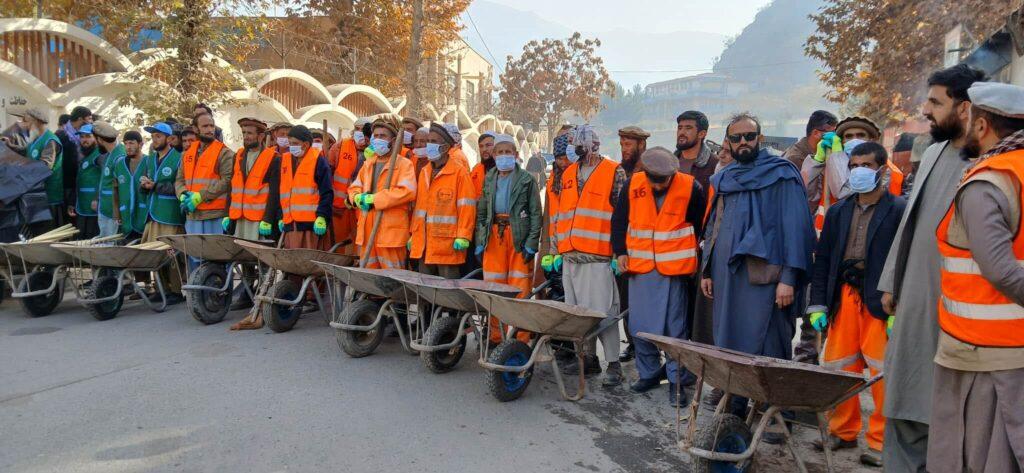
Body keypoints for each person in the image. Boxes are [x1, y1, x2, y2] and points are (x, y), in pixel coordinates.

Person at [877, 64, 986, 472]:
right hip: (916, 300)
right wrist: (891, 282)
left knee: (948, 416)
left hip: (961, 312)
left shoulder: (992, 162)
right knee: (904, 403)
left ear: (964, 109)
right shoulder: (936, 150)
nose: (925, 109)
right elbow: (912, 222)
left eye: (935, 102)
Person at [925, 81, 1024, 473]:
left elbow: (1001, 271)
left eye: (967, 120)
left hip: (985, 354)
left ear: (981, 127)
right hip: (1003, 351)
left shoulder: (988, 182)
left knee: (980, 458)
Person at [700, 113, 815, 416]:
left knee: (770, 345)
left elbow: (796, 229)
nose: (743, 143)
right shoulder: (725, 177)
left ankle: (774, 413)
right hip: (727, 277)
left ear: (759, 139)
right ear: (729, 142)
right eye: (736, 138)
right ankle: (734, 401)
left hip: (768, 281)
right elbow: (715, 224)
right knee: (729, 341)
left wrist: (789, 278)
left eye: (749, 136)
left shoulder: (782, 174)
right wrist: (708, 269)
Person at [806, 141, 906, 467]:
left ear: (881, 169)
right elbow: (823, 262)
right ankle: (843, 431)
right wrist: (818, 304)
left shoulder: (899, 211)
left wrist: (899, 308)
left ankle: (880, 442)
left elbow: (906, 261)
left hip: (881, 302)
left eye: (865, 165)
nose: (858, 171)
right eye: (853, 166)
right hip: (844, 299)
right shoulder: (838, 211)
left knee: (883, 375)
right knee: (840, 368)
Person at [611, 146, 705, 400]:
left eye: (662, 181)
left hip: (673, 272)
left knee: (674, 330)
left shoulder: (691, 187)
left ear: (672, 175)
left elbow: (698, 226)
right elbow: (619, 221)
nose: (657, 186)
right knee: (640, 327)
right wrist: (620, 252)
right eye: (653, 180)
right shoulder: (633, 185)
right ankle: (649, 373)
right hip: (640, 270)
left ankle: (677, 381)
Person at [552, 124, 627, 384]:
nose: (573, 151)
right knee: (578, 314)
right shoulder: (569, 173)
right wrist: (556, 248)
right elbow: (561, 213)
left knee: (604, 312)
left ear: (591, 145)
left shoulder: (613, 171)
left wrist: (620, 253)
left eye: (577, 146)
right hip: (571, 257)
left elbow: (621, 217)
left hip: (598, 258)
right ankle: (588, 358)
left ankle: (614, 364)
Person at [475, 134, 542, 345]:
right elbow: (483, 211)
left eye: (508, 152)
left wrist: (532, 243)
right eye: (500, 152)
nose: (504, 156)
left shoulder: (526, 180)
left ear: (516, 154)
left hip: (518, 237)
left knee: (520, 289)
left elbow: (535, 213)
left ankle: (521, 341)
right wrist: (480, 239)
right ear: (494, 155)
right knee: (495, 290)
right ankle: (496, 337)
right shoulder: (489, 178)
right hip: (494, 237)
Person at [409, 123, 476, 279]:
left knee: (447, 291)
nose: (428, 145)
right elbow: (420, 208)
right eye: (428, 141)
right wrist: (414, 234)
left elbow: (467, 207)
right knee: (424, 290)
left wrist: (464, 235)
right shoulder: (425, 172)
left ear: (445, 147)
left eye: (433, 141)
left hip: (448, 244)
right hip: (424, 244)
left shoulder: (459, 173)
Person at [348, 119, 417, 269]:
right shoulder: (368, 164)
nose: (378, 139)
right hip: (367, 232)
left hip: (390, 234)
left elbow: (406, 192)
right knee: (368, 278)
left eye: (382, 136)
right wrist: (357, 198)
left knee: (393, 280)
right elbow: (354, 187)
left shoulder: (404, 164)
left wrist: (375, 199)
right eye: (376, 135)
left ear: (393, 140)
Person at [176, 113, 233, 268]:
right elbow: (179, 179)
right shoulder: (188, 153)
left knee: (218, 260)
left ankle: (221, 293)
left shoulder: (224, 152)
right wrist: (182, 194)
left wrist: (200, 196)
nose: (210, 130)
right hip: (193, 216)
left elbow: (227, 181)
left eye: (211, 126)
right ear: (195, 129)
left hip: (214, 215)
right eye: (205, 126)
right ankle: (196, 293)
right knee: (195, 260)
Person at [136, 122, 185, 305]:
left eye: (158, 136)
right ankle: (161, 289)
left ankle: (177, 290)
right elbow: (144, 185)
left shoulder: (178, 158)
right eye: (152, 136)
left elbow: (179, 186)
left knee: (170, 254)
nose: (154, 140)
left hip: (170, 214)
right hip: (152, 213)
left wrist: (155, 186)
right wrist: (144, 186)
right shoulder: (149, 159)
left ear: (169, 139)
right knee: (154, 253)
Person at [614, 125, 650, 363]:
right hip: (624, 249)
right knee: (625, 300)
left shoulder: (651, 171)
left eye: (628, 145)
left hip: (647, 250)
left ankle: (649, 348)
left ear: (641, 145)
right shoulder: (619, 172)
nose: (624, 150)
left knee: (647, 302)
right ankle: (634, 344)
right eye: (622, 145)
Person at [277, 125, 333, 251]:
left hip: (311, 225)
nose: (291, 146)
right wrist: (280, 216)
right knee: (292, 262)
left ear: (306, 144)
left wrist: (322, 216)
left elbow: (327, 192)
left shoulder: (318, 161)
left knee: (309, 261)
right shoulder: (285, 160)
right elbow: (283, 191)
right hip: (290, 224)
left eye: (295, 143)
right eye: (290, 143)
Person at [224, 118, 279, 241]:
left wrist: (268, 219)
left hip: (258, 221)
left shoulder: (273, 158)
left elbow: (274, 193)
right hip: (238, 219)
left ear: (260, 136)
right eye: (243, 133)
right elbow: (231, 187)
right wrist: (226, 214)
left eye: (249, 133)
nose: (245, 136)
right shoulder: (238, 156)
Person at [784, 110, 838, 212]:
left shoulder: (822, 152)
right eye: (833, 132)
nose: (836, 137)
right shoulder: (795, 159)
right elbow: (803, 197)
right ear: (816, 133)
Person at [21, 108, 64, 233]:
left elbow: (44, 166)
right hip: (35, 196)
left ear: (36, 122)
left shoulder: (50, 140)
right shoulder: (35, 139)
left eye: (26, 121)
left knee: (46, 236)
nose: (23, 124)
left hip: (49, 197)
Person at [328, 120, 367, 256]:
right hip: (340, 207)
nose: (360, 132)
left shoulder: (376, 152)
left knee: (360, 243)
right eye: (357, 129)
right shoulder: (340, 147)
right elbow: (328, 173)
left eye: (363, 129)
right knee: (338, 244)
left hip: (361, 207)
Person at [112, 130, 148, 240]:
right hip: (125, 217)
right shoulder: (119, 164)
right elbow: (115, 190)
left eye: (131, 143)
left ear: (141, 144)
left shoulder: (149, 162)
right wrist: (116, 213)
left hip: (144, 217)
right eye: (126, 143)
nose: (128, 147)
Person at [91, 121, 125, 238]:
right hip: (106, 208)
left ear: (100, 140)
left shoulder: (119, 157)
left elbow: (122, 187)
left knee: (111, 243)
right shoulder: (111, 154)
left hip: (113, 212)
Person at [674, 111, 718, 192]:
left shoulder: (715, 164)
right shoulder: (670, 162)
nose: (681, 132)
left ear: (701, 134)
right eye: (680, 128)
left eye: (688, 128)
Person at [72, 124, 101, 238]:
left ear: (96, 138)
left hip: (93, 206)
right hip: (82, 205)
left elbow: (106, 178)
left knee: (92, 239)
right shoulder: (84, 155)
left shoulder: (99, 155)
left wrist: (97, 198)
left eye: (88, 136)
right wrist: (72, 201)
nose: (84, 140)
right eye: (82, 137)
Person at [471, 132, 496, 197]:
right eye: (481, 146)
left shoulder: (503, 169)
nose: (484, 149)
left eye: (488, 145)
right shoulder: (476, 169)